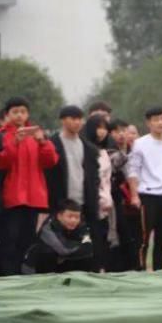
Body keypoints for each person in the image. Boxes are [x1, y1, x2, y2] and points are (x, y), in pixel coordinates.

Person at [0, 97, 59, 275]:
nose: (19, 115)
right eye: (15, 112)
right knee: (10, 239)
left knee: (28, 240)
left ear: (28, 114)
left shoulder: (37, 135)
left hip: (33, 196)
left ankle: (23, 274)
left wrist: (43, 142)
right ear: (7, 115)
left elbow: (51, 161)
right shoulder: (3, 135)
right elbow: (3, 162)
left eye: (23, 112)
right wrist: (14, 143)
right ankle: (8, 275)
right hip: (11, 196)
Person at [126, 107, 162, 271]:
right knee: (144, 237)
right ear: (149, 123)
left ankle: (158, 270)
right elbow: (133, 170)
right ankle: (141, 269)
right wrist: (134, 195)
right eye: (156, 119)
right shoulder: (140, 144)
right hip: (147, 195)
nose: (160, 123)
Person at [47, 105, 100, 250]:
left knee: (85, 246)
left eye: (80, 119)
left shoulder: (88, 147)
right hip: (60, 203)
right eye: (73, 119)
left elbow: (94, 176)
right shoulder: (51, 144)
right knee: (59, 245)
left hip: (83, 204)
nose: (77, 122)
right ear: (63, 121)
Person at [22, 199, 94, 274]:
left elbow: (88, 248)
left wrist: (66, 254)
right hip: (35, 267)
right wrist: (77, 248)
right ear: (59, 216)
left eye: (77, 217)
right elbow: (63, 250)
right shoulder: (49, 227)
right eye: (70, 216)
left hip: (62, 260)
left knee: (87, 256)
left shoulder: (82, 226)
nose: (73, 220)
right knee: (48, 252)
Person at [108, 117, 140, 271]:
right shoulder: (108, 152)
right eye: (116, 131)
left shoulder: (136, 151)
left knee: (135, 235)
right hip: (115, 199)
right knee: (118, 234)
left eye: (123, 131)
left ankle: (135, 267)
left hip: (135, 200)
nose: (121, 134)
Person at [83, 116, 114, 272]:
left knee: (103, 238)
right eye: (98, 127)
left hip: (105, 204)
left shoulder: (104, 152)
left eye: (105, 128)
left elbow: (106, 180)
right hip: (91, 202)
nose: (102, 132)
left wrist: (107, 199)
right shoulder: (86, 150)